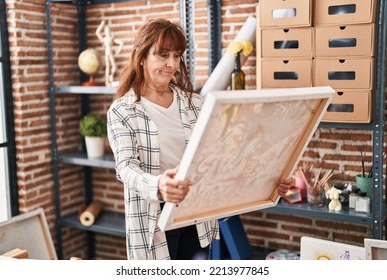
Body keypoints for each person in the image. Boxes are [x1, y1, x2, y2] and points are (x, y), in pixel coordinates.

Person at [107, 18, 292, 260]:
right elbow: (126, 168)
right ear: (141, 57)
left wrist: (267, 182)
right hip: (153, 219)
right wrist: (159, 185)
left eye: (177, 55)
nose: (172, 64)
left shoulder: (194, 103)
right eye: (163, 55)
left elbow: (219, 158)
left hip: (194, 214)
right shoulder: (122, 111)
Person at [96, 20, 124, 86]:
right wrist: (101, 25)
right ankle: (107, 81)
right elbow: (97, 33)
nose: (107, 32)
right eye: (106, 31)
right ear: (105, 32)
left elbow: (121, 43)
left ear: (110, 31)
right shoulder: (104, 39)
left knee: (114, 66)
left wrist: (118, 50)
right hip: (107, 53)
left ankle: (111, 76)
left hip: (110, 53)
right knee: (108, 67)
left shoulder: (111, 38)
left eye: (108, 31)